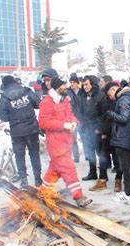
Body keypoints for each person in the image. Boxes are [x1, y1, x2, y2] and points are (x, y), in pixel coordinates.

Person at [37, 76, 92, 208]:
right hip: (56, 144)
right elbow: (43, 122)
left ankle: (44, 192)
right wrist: (64, 125)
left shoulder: (65, 100)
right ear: (57, 87)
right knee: (69, 168)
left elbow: (70, 115)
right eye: (63, 85)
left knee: (55, 169)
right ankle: (78, 196)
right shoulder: (46, 102)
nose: (67, 86)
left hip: (66, 142)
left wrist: (73, 122)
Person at [0, 75, 42, 189]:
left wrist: (13, 115)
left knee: (19, 156)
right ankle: (38, 179)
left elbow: (3, 117)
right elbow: (38, 103)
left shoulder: (4, 97)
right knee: (34, 154)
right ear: (14, 82)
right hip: (32, 128)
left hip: (17, 131)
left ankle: (24, 181)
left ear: (4, 85)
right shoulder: (25, 90)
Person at [105, 82, 130, 201]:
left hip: (123, 136)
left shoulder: (124, 100)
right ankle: (129, 190)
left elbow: (124, 118)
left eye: (110, 95)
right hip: (124, 135)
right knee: (126, 165)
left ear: (114, 89)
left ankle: (128, 193)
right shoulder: (126, 98)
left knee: (125, 166)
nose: (111, 98)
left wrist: (110, 113)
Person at [78, 76, 108, 185]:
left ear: (93, 84)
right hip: (86, 128)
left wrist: (100, 128)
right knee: (89, 152)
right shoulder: (81, 95)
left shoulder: (101, 96)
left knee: (101, 153)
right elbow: (78, 111)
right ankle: (92, 172)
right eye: (83, 84)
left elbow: (104, 114)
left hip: (97, 129)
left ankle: (103, 175)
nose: (84, 86)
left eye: (87, 84)